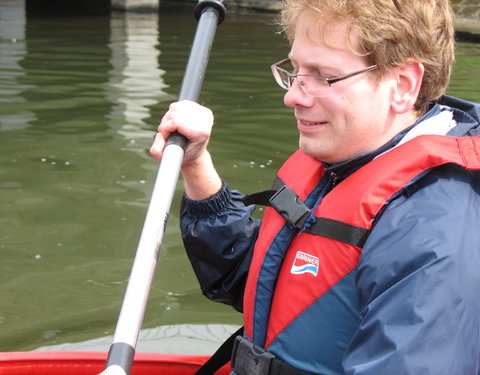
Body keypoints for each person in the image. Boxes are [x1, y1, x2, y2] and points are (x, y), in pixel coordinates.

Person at [151, 0, 480, 373]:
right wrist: (196, 166)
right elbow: (264, 282)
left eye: (324, 76)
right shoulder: (348, 160)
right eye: (295, 70)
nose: (292, 95)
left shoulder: (431, 233)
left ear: (402, 86)